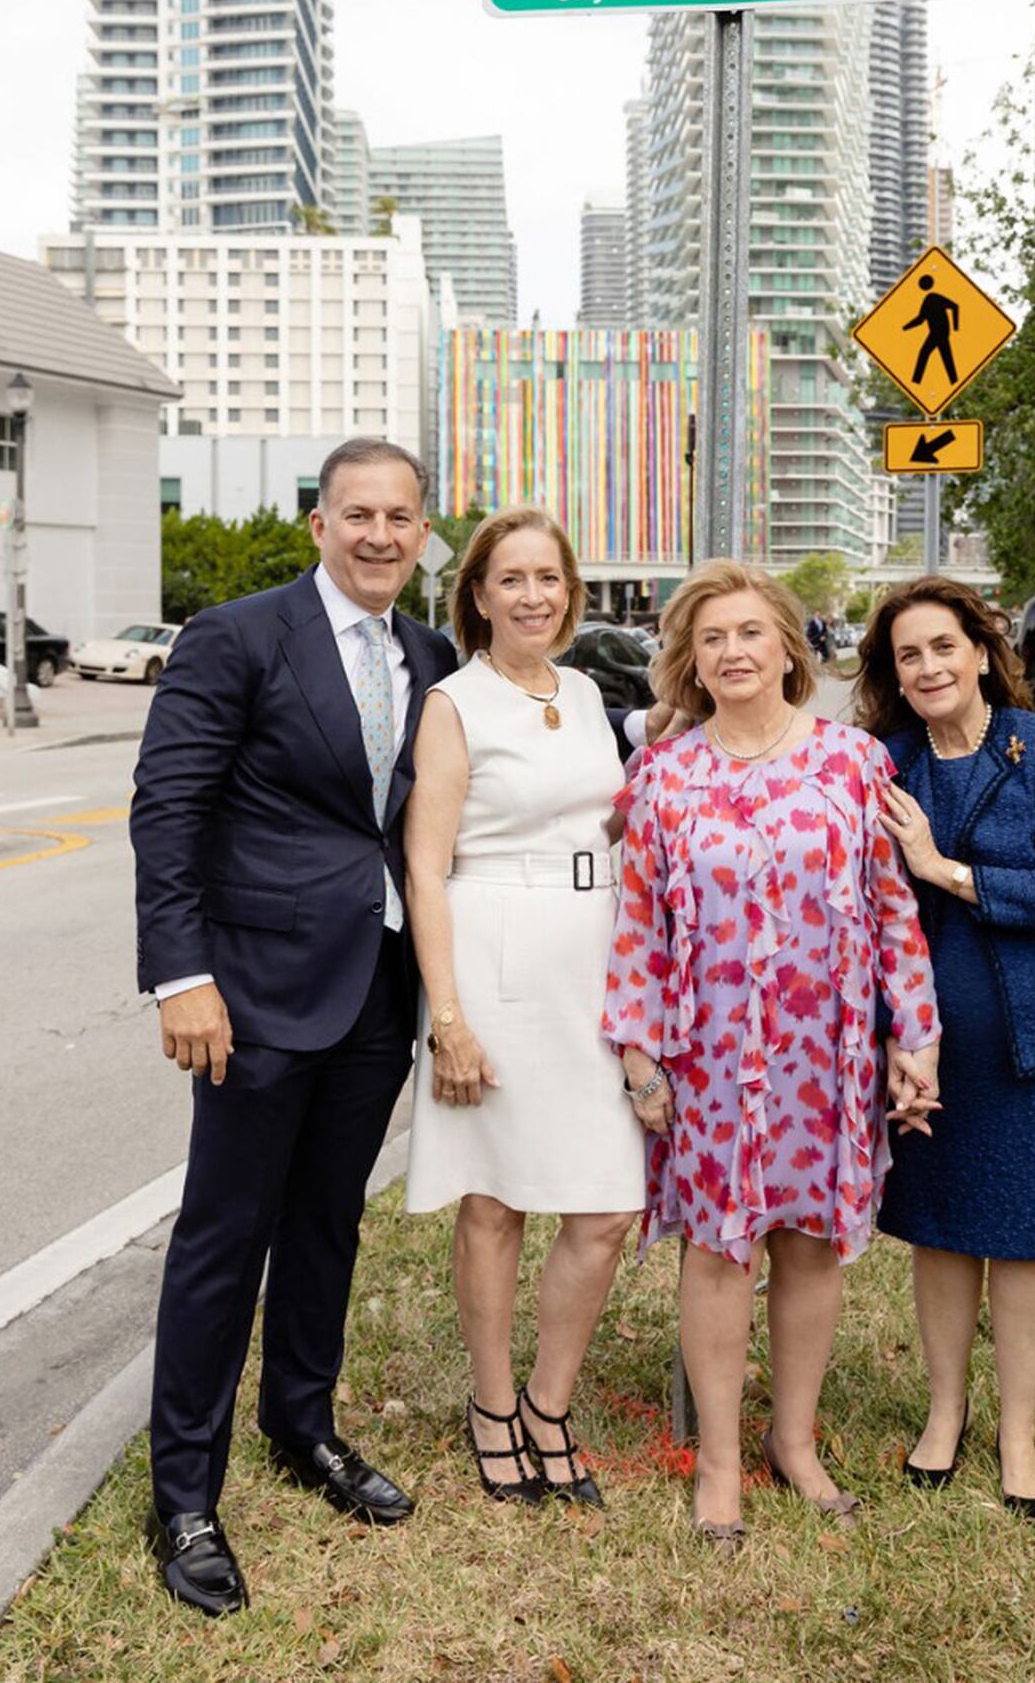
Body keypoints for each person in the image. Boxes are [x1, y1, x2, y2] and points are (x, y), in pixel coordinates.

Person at [130, 438, 457, 1616]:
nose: (379, 534)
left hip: (375, 983)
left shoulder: (433, 656)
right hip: (256, 989)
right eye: (358, 513)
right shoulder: (236, 635)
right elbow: (168, 808)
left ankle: (301, 1423)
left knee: (326, 1223)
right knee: (225, 1237)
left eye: (400, 516)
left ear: (423, 531)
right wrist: (181, 973)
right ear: (319, 523)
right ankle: (184, 1496)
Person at [602, 560, 941, 1550]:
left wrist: (914, 1032)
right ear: (690, 661)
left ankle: (792, 1439)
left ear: (789, 648)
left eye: (751, 632)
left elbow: (891, 908)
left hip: (823, 1053)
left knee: (808, 1242)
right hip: (707, 1056)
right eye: (711, 638)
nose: (733, 651)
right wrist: (639, 1055)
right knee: (718, 1249)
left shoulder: (852, 762)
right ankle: (717, 1460)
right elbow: (640, 925)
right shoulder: (663, 777)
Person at [856, 576, 1035, 1519]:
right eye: (908, 655)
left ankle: (1017, 1431)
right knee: (940, 1231)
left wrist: (938, 868)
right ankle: (945, 1412)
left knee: (1025, 1238)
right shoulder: (884, 764)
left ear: (979, 651)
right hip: (926, 1045)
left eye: (943, 646)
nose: (928, 666)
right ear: (892, 674)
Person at [404, 507, 645, 1507]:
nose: (533, 595)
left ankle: (550, 1402)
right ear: (479, 594)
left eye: (548, 577)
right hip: (493, 954)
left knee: (609, 1203)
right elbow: (425, 867)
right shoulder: (453, 702)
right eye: (511, 578)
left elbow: (604, 816)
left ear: (570, 592)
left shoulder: (584, 691)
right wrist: (449, 1018)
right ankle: (494, 1404)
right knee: (494, 1199)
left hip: (592, 956)